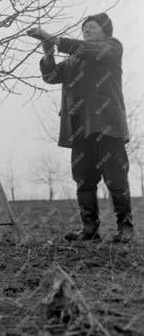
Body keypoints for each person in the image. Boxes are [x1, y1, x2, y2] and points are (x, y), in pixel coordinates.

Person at [28, 13, 133, 243]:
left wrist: (54, 39)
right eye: (84, 27)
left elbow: (89, 50)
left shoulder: (112, 48)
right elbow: (52, 76)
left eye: (92, 27)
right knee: (84, 180)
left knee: (116, 179)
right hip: (79, 128)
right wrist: (48, 52)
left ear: (105, 30)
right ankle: (89, 229)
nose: (86, 30)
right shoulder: (75, 59)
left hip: (107, 125)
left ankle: (125, 228)